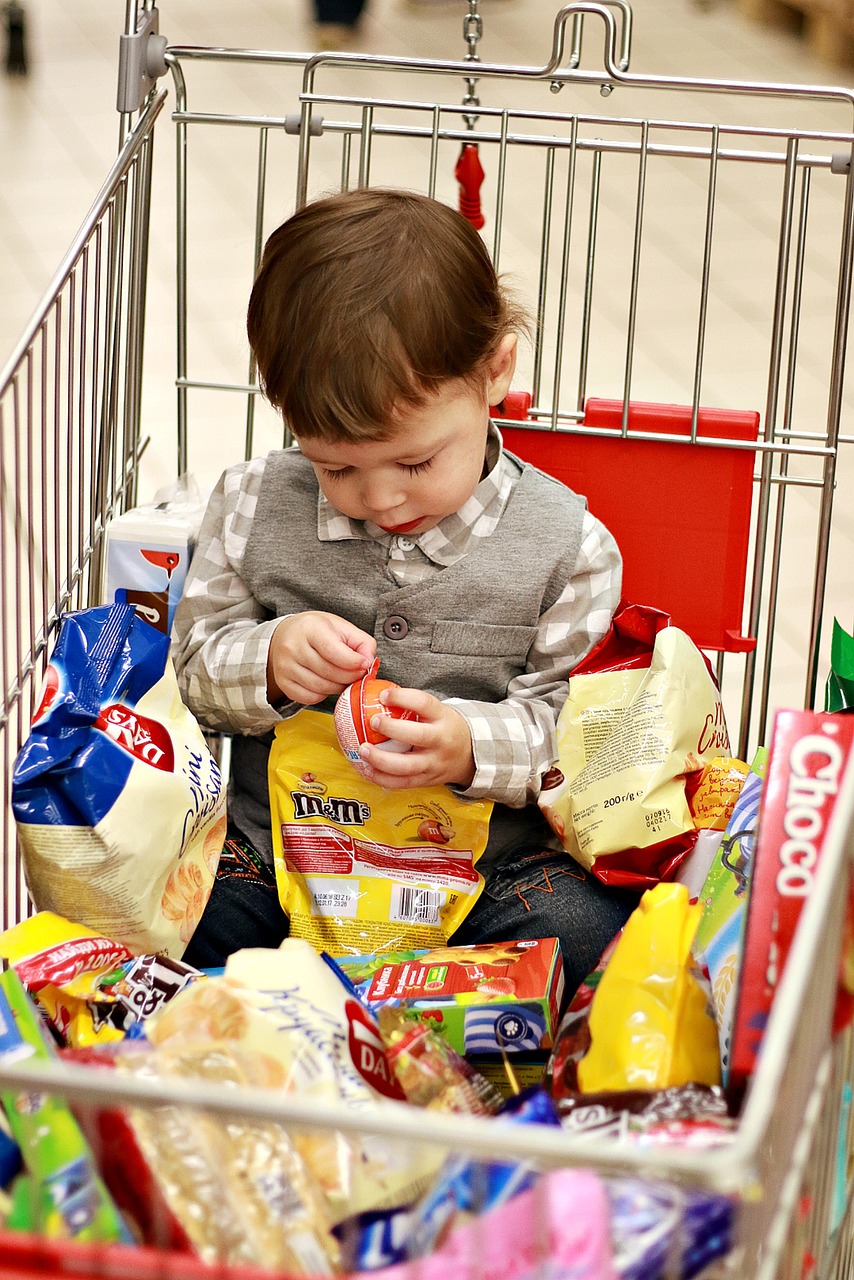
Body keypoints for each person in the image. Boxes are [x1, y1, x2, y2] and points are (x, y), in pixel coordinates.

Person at [173, 187, 638, 993]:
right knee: (175, 905)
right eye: (336, 468)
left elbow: (581, 743)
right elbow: (194, 676)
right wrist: (272, 660)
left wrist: (467, 745)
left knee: (586, 934)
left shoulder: (571, 548)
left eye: (415, 463)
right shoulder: (252, 503)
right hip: (283, 857)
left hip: (481, 881)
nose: (380, 498)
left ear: (493, 373)